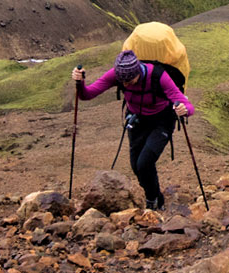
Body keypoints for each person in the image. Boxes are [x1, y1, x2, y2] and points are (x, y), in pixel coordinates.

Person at [74, 49, 195, 211]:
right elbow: (87, 95)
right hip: (137, 120)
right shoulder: (117, 75)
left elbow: (187, 104)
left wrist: (183, 110)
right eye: (122, 81)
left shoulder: (159, 76)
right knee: (136, 166)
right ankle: (155, 195)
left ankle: (152, 201)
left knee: (144, 163)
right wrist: (80, 82)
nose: (125, 84)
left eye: (130, 80)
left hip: (162, 121)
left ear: (138, 72)